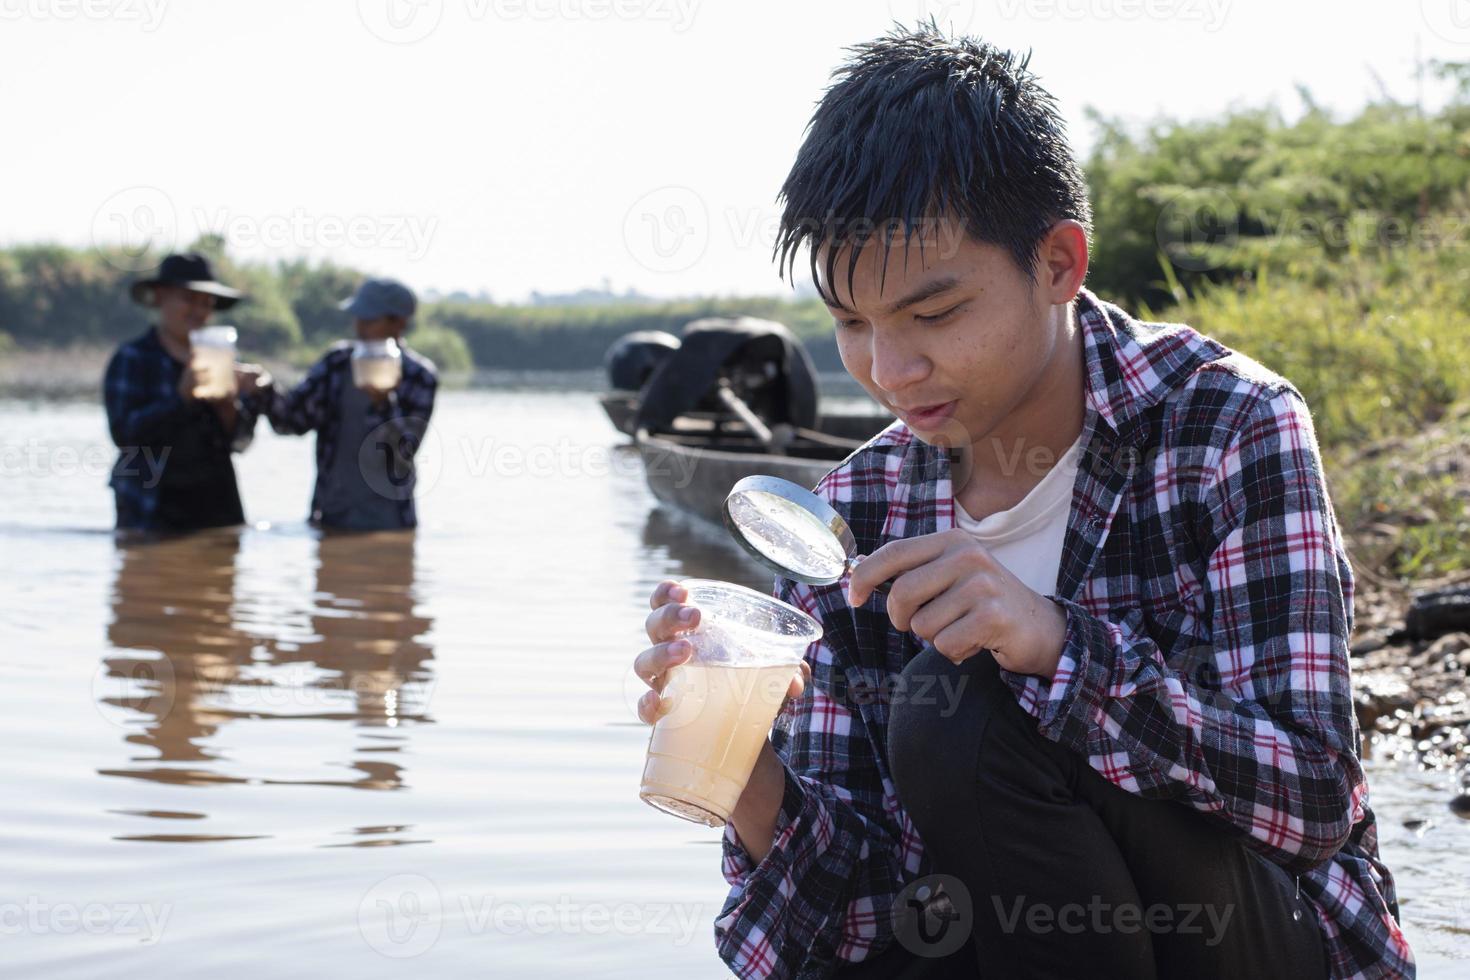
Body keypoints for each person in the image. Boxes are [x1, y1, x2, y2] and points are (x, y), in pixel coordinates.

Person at [631, 25, 1414, 980]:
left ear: (1058, 264)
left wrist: (1055, 646)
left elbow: (1314, 797)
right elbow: (850, 927)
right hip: (1017, 946)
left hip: (1248, 942)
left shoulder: (1227, 426)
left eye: (933, 314)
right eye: (850, 323)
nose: (889, 370)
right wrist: (749, 782)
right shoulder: (856, 511)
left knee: (948, 705)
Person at [103, 253, 267, 532]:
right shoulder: (132, 358)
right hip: (147, 510)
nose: (198, 310)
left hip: (217, 509)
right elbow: (124, 436)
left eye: (206, 302)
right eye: (188, 299)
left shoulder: (225, 361)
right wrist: (181, 398)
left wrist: (229, 407)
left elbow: (241, 442)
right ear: (160, 297)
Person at [261, 278, 437, 530]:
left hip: (391, 523)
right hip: (331, 516)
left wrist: (383, 405)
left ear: (399, 322)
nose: (359, 327)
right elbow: (292, 421)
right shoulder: (337, 363)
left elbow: (402, 454)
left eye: (369, 319)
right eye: (358, 318)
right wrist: (262, 390)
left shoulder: (420, 377)